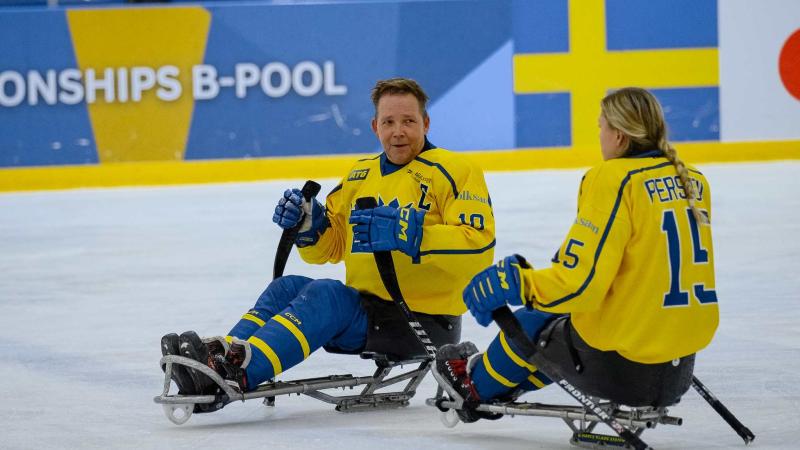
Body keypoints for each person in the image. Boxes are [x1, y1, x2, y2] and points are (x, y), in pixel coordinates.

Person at [161, 77, 495, 404]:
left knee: (327, 295)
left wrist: (410, 234)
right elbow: (331, 248)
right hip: (368, 311)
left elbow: (478, 246)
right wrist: (310, 226)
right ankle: (219, 358)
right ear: (375, 127)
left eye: (408, 121)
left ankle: (237, 374)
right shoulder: (361, 174)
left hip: (423, 320)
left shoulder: (455, 169)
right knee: (286, 287)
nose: (398, 131)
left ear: (426, 123)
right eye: (388, 122)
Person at [436, 87, 719, 422]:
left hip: (625, 366)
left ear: (618, 134)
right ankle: (503, 384)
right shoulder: (693, 180)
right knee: (564, 321)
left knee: (533, 321)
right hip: (677, 366)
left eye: (601, 127)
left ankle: (472, 388)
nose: (599, 135)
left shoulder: (614, 179)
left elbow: (580, 284)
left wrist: (518, 284)